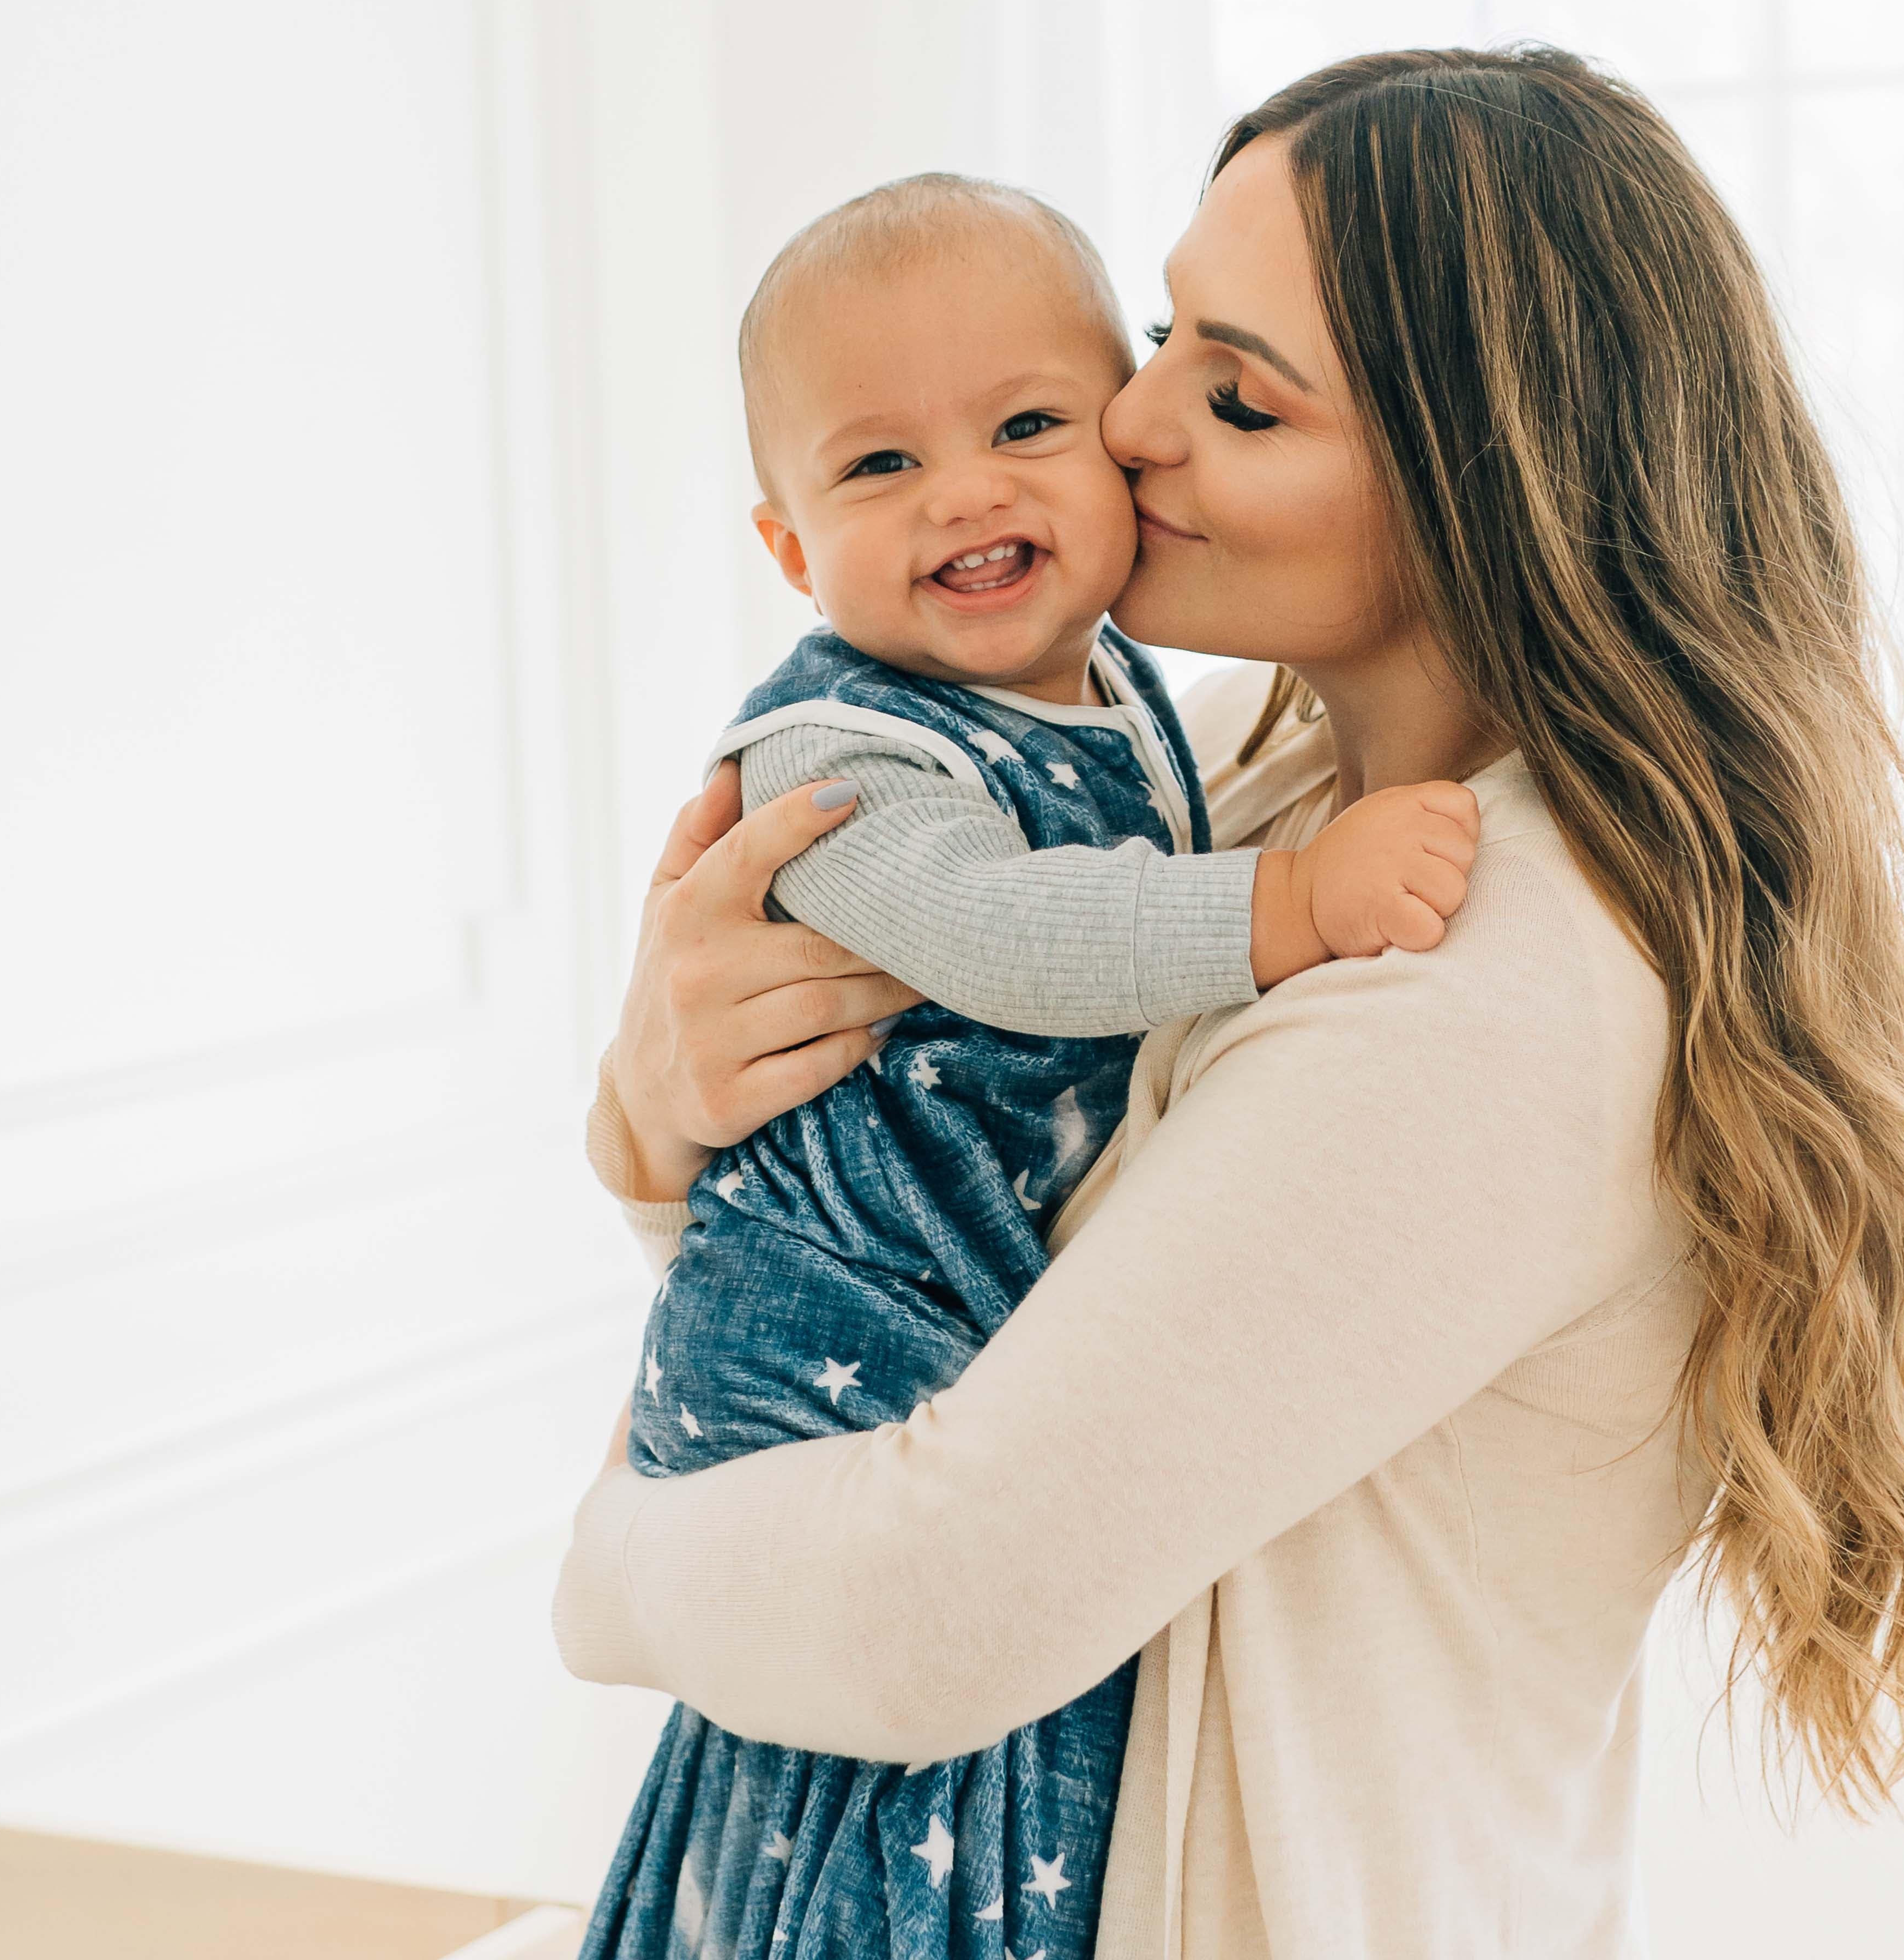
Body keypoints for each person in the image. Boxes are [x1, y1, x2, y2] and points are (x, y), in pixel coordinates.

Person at [561, 45, 1904, 1959]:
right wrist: (662, 1119)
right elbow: (969, 1263)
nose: (1129, 420)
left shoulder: (1477, 985)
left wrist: (608, 1561)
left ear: (1479, 486)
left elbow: (931, 1611)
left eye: (1239, 396)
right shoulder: (1244, 800)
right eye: (1164, 336)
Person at [584, 172, 1480, 1960]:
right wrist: (1295, 903)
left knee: (897, 1813)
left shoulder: (1128, 697)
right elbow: (1005, 934)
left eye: (1027, 427)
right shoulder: (848, 755)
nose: (968, 493)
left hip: (958, 1328)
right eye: (880, 465)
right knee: (830, 1826)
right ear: (790, 552)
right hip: (842, 1311)